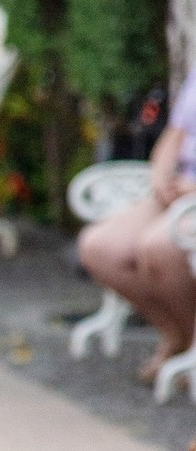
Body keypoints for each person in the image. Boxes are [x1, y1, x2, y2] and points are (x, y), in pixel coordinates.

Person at [78, 64, 196, 383]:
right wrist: (162, 177)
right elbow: (175, 133)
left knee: (158, 246)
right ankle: (179, 337)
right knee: (99, 246)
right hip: (176, 189)